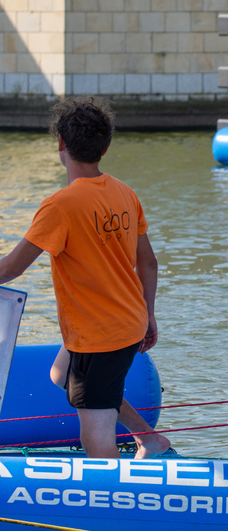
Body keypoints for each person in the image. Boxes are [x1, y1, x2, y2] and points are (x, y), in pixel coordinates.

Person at [0, 96, 170, 459]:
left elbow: (11, 268)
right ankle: (149, 439)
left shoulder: (60, 205)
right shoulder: (125, 193)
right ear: (105, 147)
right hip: (129, 321)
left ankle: (112, 501)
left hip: (100, 334)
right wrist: (149, 314)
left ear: (60, 142)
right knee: (60, 374)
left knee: (95, 433)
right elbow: (149, 263)